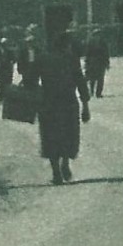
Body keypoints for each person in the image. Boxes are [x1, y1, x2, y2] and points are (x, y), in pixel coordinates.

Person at [38, 31, 90, 185]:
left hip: (48, 103)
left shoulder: (42, 59)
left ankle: (56, 172)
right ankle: (65, 162)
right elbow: (80, 82)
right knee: (68, 134)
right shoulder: (71, 59)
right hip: (68, 103)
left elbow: (30, 79)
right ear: (66, 46)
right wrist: (85, 105)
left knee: (50, 137)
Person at [83, 32, 111, 98]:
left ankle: (98, 93)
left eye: (98, 35)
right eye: (96, 35)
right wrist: (87, 63)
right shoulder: (90, 44)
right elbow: (87, 54)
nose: (97, 37)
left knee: (100, 79)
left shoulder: (103, 44)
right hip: (92, 63)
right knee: (92, 79)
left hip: (101, 63)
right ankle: (91, 92)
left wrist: (107, 63)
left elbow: (106, 54)